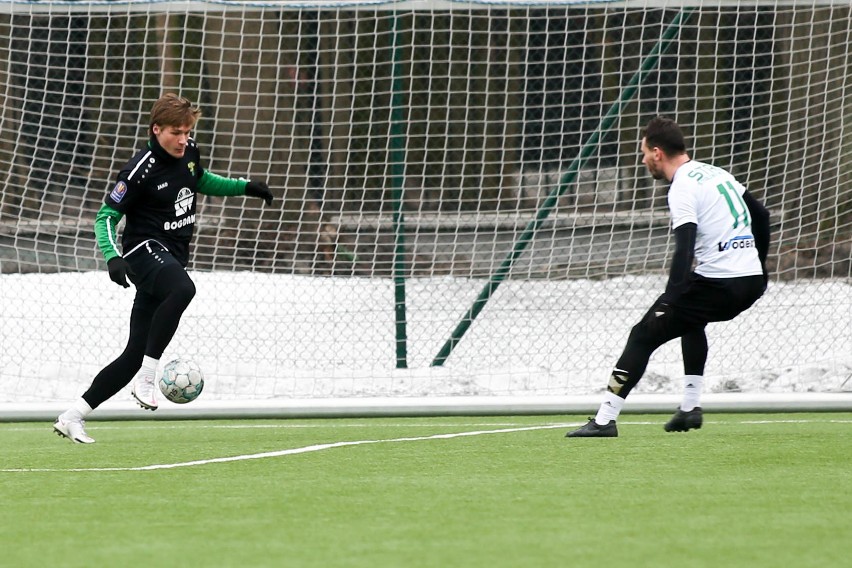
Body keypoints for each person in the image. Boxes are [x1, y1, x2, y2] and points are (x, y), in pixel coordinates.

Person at [53, 93, 273, 443]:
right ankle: (148, 375)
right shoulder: (140, 169)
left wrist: (244, 187)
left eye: (187, 131)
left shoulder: (188, 151)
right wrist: (112, 256)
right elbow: (106, 216)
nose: (183, 139)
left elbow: (199, 179)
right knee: (183, 289)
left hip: (170, 254)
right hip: (143, 251)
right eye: (176, 132)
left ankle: (72, 415)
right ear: (157, 130)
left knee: (131, 355)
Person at [567, 116, 770, 438]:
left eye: (644, 153)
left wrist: (670, 297)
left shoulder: (682, 187)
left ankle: (605, 420)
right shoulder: (716, 173)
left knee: (641, 335)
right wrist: (760, 266)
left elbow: (684, 247)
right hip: (749, 282)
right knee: (691, 320)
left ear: (657, 152)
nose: (644, 159)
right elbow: (761, 214)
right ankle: (689, 408)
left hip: (719, 284)